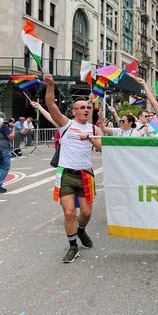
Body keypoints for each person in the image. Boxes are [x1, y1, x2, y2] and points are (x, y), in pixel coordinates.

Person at [44, 74, 103, 263]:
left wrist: (90, 138)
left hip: (86, 175)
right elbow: (51, 105)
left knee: (85, 213)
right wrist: (51, 85)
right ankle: (73, 246)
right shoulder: (66, 125)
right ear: (74, 111)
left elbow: (102, 148)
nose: (86, 110)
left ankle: (81, 230)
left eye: (88, 107)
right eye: (82, 107)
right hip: (66, 175)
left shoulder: (95, 129)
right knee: (69, 212)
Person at [0, 112, 16, 193]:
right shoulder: (2, 126)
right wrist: (13, 128)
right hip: (3, 148)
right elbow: (11, 137)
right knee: (5, 167)